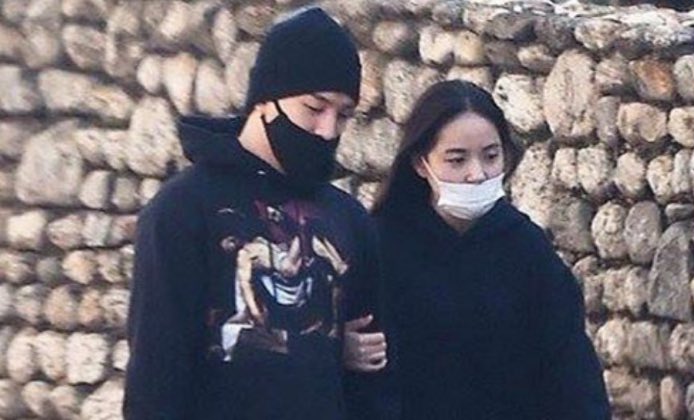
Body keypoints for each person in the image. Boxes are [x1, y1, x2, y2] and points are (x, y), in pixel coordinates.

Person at [123, 8, 392, 420]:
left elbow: (370, 378)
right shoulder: (183, 210)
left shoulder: (349, 220)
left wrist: (333, 349)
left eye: (343, 115)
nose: (327, 130)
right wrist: (324, 347)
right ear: (266, 99)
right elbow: (157, 370)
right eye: (314, 107)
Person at [365, 80, 611, 419]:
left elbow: (570, 368)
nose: (477, 174)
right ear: (421, 163)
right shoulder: (381, 246)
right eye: (457, 160)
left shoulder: (527, 249)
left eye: (491, 156)